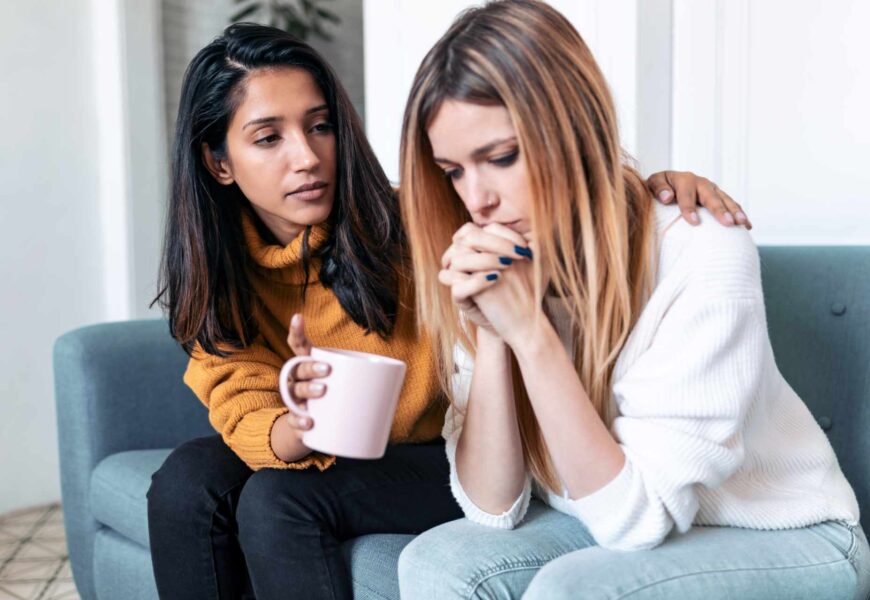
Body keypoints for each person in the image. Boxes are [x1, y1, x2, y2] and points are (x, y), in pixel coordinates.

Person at [146, 21, 747, 600]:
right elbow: (241, 403)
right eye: (268, 137)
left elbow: (550, 197)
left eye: (320, 126)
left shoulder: (424, 220)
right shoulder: (219, 278)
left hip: (447, 449)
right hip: (337, 446)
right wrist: (305, 423)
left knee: (278, 501)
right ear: (218, 162)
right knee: (189, 482)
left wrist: (650, 188)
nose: (306, 157)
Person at [396, 1, 870, 599]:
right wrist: (496, 331)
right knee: (433, 564)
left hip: (786, 533)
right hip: (609, 521)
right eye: (453, 172)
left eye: (503, 157)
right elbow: (493, 509)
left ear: (575, 129)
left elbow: (637, 518)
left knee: (574, 590)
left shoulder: (701, 250)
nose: (477, 199)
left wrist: (533, 335)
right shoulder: (499, 261)